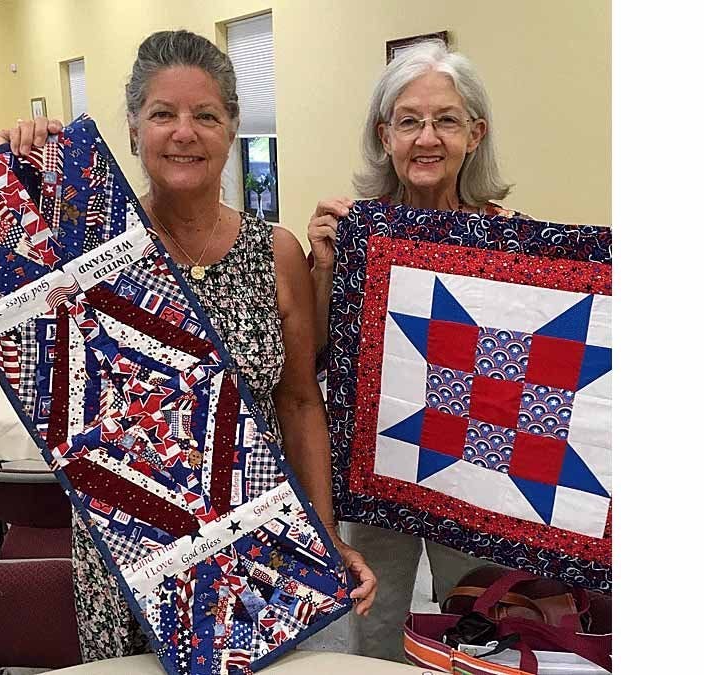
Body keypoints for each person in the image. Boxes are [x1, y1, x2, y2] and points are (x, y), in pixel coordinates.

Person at [0, 29, 377, 664]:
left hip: (253, 552)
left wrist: (324, 535)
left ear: (232, 130)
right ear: (135, 131)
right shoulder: (84, 249)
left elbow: (301, 403)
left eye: (206, 115)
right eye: (162, 114)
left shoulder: (276, 253)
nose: (184, 132)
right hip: (127, 557)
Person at [307, 40, 529, 662]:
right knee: (372, 630)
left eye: (446, 120)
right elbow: (315, 355)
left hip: (478, 467)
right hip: (383, 462)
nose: (426, 137)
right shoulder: (356, 233)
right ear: (385, 135)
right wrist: (326, 267)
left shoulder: (509, 238)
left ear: (474, 134)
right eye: (409, 121)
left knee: (478, 624)